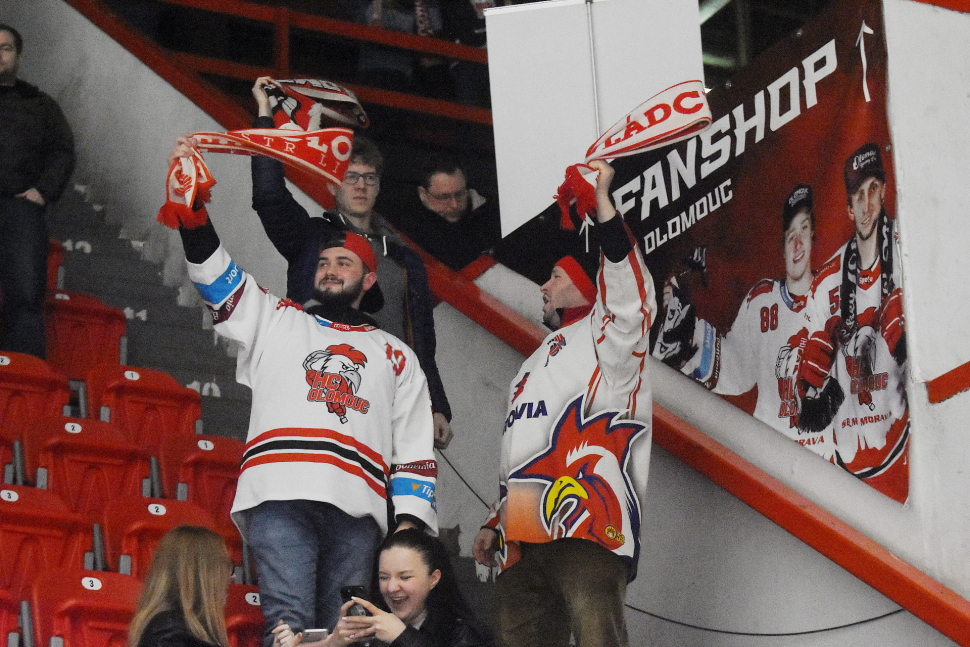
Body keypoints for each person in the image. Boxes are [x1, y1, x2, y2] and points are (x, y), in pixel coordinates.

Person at [169, 135, 439, 647]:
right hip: (282, 496)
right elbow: (216, 277)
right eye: (322, 264)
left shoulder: (396, 353)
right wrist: (192, 210)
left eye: (343, 264)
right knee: (287, 627)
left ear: (367, 280)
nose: (329, 270)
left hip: (360, 512)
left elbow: (414, 454)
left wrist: (405, 526)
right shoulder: (277, 318)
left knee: (346, 634)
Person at [472, 160, 656, 647]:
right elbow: (519, 449)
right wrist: (496, 519)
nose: (543, 286)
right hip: (522, 538)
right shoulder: (529, 364)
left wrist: (602, 210)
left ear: (586, 285)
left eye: (555, 276)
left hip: (588, 526)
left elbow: (632, 296)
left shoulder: (609, 337)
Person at [251, 77, 453, 450]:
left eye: (369, 178)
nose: (360, 186)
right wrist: (266, 116)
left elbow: (422, 344)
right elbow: (268, 197)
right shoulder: (310, 237)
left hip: (388, 397)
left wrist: (436, 405)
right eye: (350, 177)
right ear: (331, 184)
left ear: (378, 187)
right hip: (315, 387)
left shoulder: (406, 259)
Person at [652, 185, 832, 457]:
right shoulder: (761, 299)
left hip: (830, 459)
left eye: (804, 230)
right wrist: (690, 335)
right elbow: (737, 373)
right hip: (772, 458)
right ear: (782, 247)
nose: (797, 244)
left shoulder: (836, 293)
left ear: (814, 235)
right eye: (790, 235)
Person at [797, 143, 908, 503]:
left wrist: (912, 334)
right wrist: (808, 387)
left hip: (905, 453)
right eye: (858, 195)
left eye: (873, 189)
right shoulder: (826, 283)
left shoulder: (909, 254)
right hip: (848, 471)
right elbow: (810, 411)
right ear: (847, 208)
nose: (867, 204)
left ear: (885, 190)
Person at [272, 528, 491, 647]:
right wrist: (333, 643)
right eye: (383, 577)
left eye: (404, 577)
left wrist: (401, 636)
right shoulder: (370, 631)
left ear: (433, 578)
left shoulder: (463, 632)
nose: (392, 587)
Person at [0, 24, 75, 359]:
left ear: (18, 56)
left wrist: (42, 192)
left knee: (27, 296)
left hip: (20, 209)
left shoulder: (41, 105)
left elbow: (63, 152)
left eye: (6, 48)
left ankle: (23, 379)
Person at [128, 525, 234, 647]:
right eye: (226, 567)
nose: (231, 577)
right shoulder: (169, 632)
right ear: (202, 576)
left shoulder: (176, 629)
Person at [402, 153, 500, 271]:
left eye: (459, 194)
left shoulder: (491, 216)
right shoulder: (407, 225)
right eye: (444, 197)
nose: (455, 205)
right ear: (423, 194)